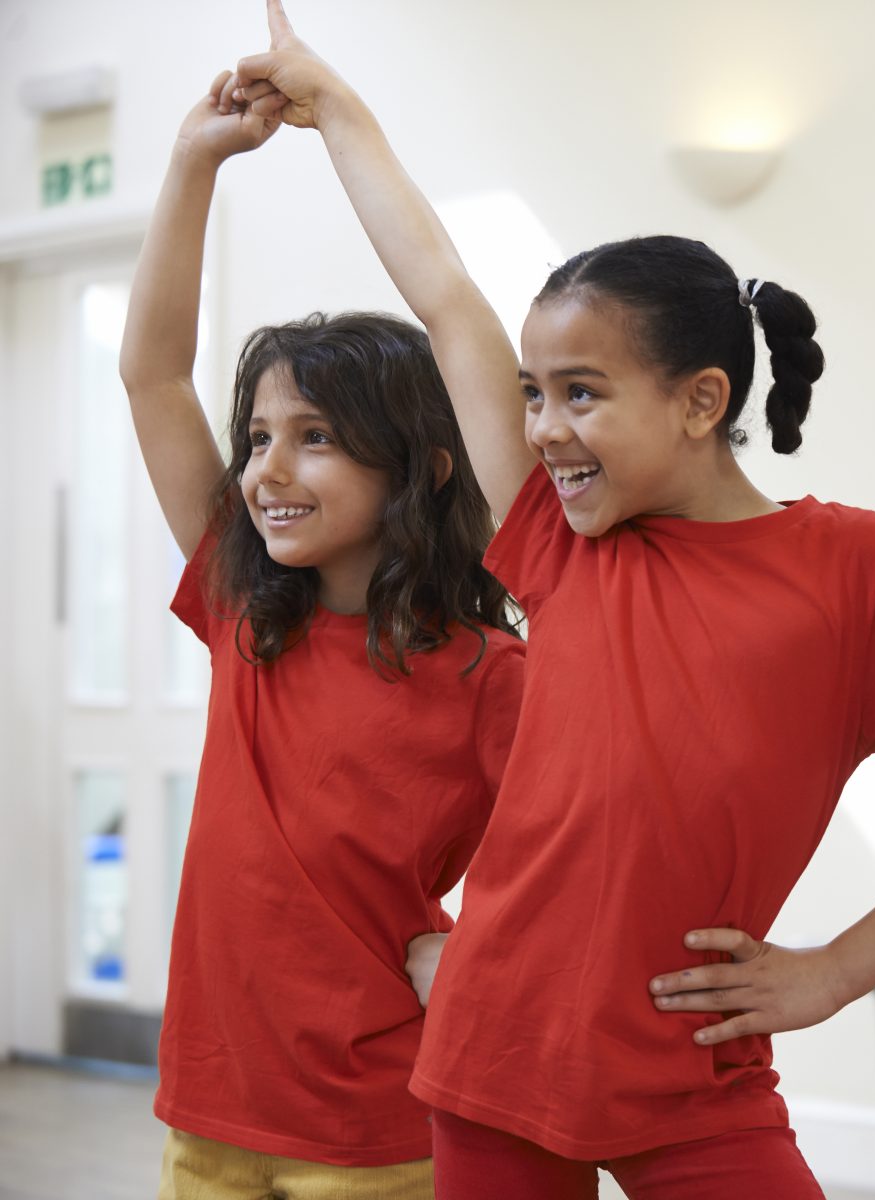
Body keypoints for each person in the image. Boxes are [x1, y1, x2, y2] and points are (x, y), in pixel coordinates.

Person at [226, 4, 875, 1195]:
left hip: (699, 1077)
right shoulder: (561, 548)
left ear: (698, 399)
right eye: (532, 394)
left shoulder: (859, 567)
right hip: (493, 1061)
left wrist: (832, 969)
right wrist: (339, 110)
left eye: (581, 393)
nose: (544, 430)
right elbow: (447, 299)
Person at [120, 66, 523, 1199]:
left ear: (420, 467)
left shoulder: (494, 673)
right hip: (206, 1120)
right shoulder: (246, 615)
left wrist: (478, 948)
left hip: (382, 1138)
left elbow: (572, 857)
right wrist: (194, 161)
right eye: (255, 437)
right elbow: (151, 373)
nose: (266, 471)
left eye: (313, 438)